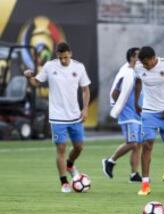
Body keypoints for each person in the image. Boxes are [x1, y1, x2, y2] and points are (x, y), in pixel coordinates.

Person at [24, 42, 91, 193]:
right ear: (57, 55)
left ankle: (70, 164)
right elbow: (36, 82)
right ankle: (64, 182)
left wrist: (85, 108)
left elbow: (85, 89)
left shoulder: (79, 67)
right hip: (57, 116)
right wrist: (29, 76)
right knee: (61, 148)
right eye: (61, 58)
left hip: (75, 115)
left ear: (70, 54)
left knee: (79, 147)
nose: (63, 61)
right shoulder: (49, 66)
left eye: (66, 58)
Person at [134, 46, 164, 195]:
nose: (144, 66)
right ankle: (145, 184)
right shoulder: (138, 67)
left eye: (146, 63)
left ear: (153, 58)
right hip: (148, 112)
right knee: (147, 144)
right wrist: (137, 102)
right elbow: (138, 82)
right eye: (142, 63)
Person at [101, 47, 142, 183]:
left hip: (138, 112)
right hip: (128, 113)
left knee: (138, 144)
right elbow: (115, 92)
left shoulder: (137, 71)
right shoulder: (126, 73)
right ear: (131, 57)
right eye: (138, 56)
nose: (140, 58)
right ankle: (110, 161)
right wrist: (119, 106)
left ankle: (134, 174)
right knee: (132, 142)